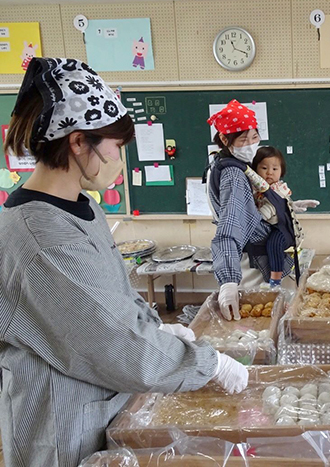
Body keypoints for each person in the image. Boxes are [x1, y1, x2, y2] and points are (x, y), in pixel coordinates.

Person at [0, 58, 248, 467]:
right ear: (78, 142)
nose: (119, 159)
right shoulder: (43, 240)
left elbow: (111, 300)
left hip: (104, 406)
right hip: (64, 427)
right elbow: (117, 345)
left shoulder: (80, 208)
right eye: (114, 147)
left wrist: (155, 328)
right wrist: (208, 363)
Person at [206, 101, 299, 319]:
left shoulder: (221, 163)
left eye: (254, 137)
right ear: (224, 139)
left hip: (254, 258)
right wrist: (228, 280)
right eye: (242, 139)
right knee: (266, 326)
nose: (250, 145)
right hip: (252, 265)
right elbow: (229, 227)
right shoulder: (234, 175)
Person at [247, 146, 318, 288]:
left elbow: (277, 205)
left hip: (280, 227)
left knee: (274, 243)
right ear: (255, 169)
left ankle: (275, 279)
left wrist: (295, 205)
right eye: (264, 168)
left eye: (274, 169)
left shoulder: (279, 188)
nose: (269, 173)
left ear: (281, 171)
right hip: (264, 227)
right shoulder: (254, 189)